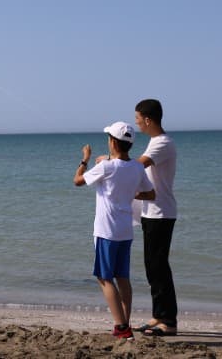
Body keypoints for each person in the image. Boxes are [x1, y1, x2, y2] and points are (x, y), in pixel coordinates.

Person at [74, 121, 155, 340]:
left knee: (104, 277)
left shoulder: (106, 167)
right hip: (126, 231)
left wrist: (85, 159)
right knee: (122, 277)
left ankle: (121, 327)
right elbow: (150, 194)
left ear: (112, 142)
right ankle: (125, 324)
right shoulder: (137, 167)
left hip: (107, 231)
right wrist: (130, 193)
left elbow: (78, 181)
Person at [134, 99, 179, 336]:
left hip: (161, 213)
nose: (137, 123)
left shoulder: (162, 143)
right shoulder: (155, 142)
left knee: (159, 266)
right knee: (152, 266)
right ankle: (158, 315)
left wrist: (110, 162)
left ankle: (168, 321)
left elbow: (137, 166)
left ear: (148, 119)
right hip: (151, 211)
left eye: (138, 119)